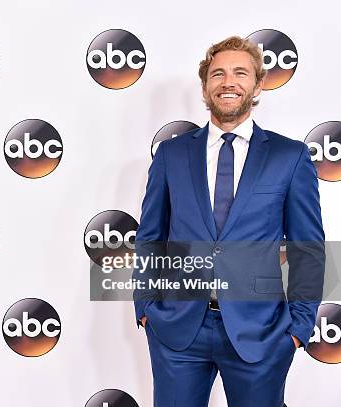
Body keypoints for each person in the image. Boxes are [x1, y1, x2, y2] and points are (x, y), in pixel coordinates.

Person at [132, 36, 325, 406]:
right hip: (177, 332)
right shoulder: (172, 155)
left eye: (240, 72)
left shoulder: (290, 157)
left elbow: (308, 249)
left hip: (261, 333)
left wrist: (298, 328)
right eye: (218, 73)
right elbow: (150, 237)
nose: (228, 82)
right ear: (205, 86)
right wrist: (146, 308)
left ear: (257, 84)